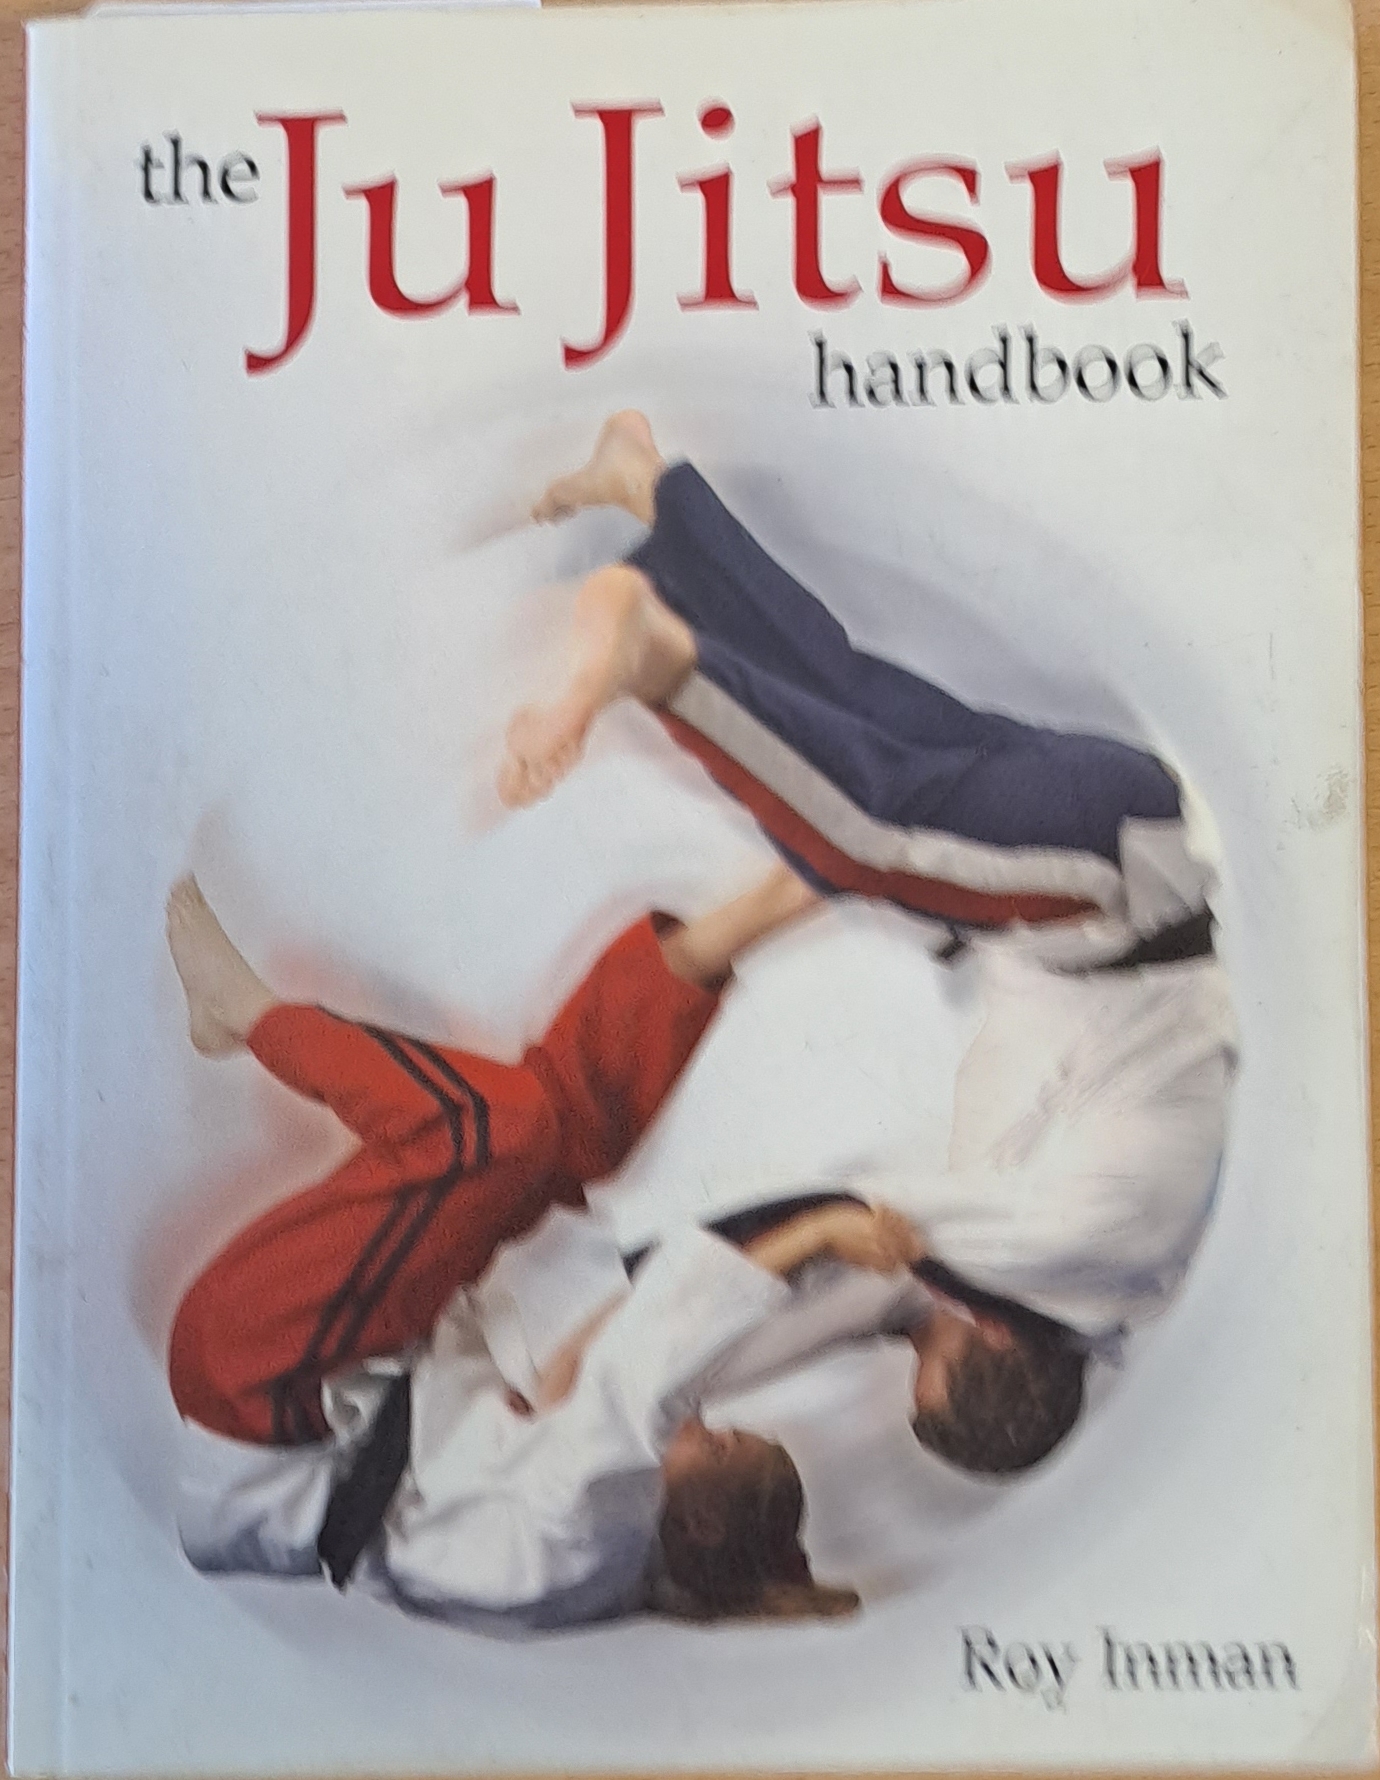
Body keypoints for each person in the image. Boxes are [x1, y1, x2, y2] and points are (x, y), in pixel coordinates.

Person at [491, 414, 1239, 1471]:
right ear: (993, 1340)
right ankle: (656, 664)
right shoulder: (1078, 1237)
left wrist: (638, 1363)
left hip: (1083, 862)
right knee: (864, 837)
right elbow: (827, 1224)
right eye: (929, 1349)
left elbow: (845, 1293)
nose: (917, 1322)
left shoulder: (1085, 1276)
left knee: (843, 698)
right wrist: (607, 1344)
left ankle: (648, 484)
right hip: (1105, 887)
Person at [165, 872, 887, 1629]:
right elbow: (589, 1371)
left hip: (250, 1379)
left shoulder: (587, 1533)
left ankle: (250, 1019)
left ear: (701, 1522)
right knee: (560, 1134)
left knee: (489, 1135)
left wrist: (816, 1236)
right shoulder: (590, 1543)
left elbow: (643, 1377)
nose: (699, 1424)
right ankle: (777, 902)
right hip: (322, 1379)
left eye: (716, 1445)